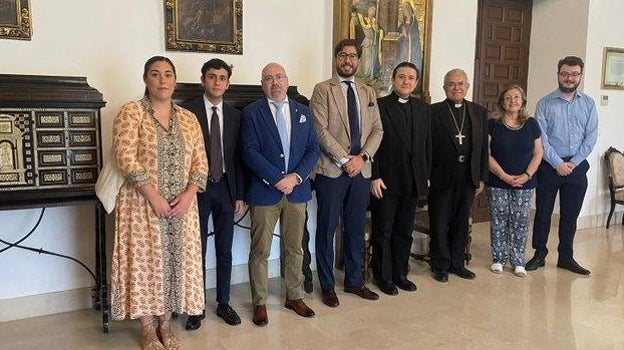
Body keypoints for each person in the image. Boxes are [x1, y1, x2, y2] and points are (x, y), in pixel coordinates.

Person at [110, 56, 208, 350]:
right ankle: (147, 329)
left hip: (182, 207)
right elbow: (124, 156)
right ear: (145, 79)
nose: (162, 80)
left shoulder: (188, 119)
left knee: (175, 265)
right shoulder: (131, 113)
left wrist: (190, 194)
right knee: (146, 264)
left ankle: (166, 324)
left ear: (175, 80)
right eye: (155, 74)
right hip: (142, 205)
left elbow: (200, 161)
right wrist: (152, 195)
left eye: (168, 74)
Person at [241, 62, 319, 326]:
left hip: (297, 192)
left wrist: (295, 177)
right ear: (262, 83)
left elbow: (312, 150)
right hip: (265, 192)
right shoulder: (251, 113)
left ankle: (294, 296)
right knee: (260, 250)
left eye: (279, 77)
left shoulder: (303, 112)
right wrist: (277, 178)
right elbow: (249, 151)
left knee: (295, 248)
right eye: (268, 78)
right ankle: (259, 302)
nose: (274, 82)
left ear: (287, 80)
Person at [310, 38, 383, 307]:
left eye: (352, 56)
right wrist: (344, 159)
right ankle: (327, 285)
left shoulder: (368, 92)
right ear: (336, 59)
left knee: (354, 228)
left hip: (360, 172)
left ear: (359, 60)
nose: (348, 60)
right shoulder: (322, 90)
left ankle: (354, 281)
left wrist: (361, 157)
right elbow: (320, 131)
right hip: (331, 172)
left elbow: (378, 130)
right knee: (327, 229)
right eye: (343, 55)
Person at [181, 58, 244, 330]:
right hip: (196, 189)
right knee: (197, 249)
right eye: (212, 76)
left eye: (222, 77)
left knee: (224, 249)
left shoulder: (236, 116)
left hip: (227, 189)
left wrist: (240, 194)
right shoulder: (186, 112)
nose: (217, 82)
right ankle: (196, 306)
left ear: (228, 83)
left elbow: (239, 158)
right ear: (203, 80)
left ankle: (223, 302)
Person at [525, 56, 598, 275]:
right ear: (558, 74)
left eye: (574, 74)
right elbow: (541, 139)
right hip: (549, 167)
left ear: (580, 76)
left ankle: (566, 257)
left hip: (577, 168)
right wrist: (557, 163)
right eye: (565, 73)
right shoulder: (545, 103)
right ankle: (539, 254)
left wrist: (573, 163)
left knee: (570, 215)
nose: (569, 78)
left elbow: (591, 137)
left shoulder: (588, 103)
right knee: (543, 212)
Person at [370, 61, 431, 295]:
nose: (406, 81)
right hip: (386, 180)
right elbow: (371, 143)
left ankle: (400, 273)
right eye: (402, 77)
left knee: (405, 230)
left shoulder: (423, 109)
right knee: (383, 231)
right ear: (393, 80)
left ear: (415, 82)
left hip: (412, 180)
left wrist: (425, 176)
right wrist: (373, 176)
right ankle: (383, 276)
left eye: (411, 78)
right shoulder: (380, 105)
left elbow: (427, 146)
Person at [428, 68, 488, 283]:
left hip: (468, 176)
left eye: (461, 83)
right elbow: (427, 147)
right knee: (440, 221)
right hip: (441, 175)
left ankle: (457, 262)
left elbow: (483, 148)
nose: (456, 88)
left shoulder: (479, 112)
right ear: (445, 88)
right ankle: (440, 264)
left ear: (467, 86)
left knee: (461, 221)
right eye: (452, 84)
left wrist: (481, 176)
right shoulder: (433, 112)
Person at [487, 85, 543, 277]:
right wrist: (503, 175)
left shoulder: (531, 124)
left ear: (523, 101)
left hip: (524, 182)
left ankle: (518, 260)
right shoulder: (493, 124)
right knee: (498, 220)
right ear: (502, 102)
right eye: (508, 97)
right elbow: (485, 154)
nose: (513, 101)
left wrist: (527, 175)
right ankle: (498, 259)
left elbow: (538, 152)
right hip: (497, 180)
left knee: (520, 221)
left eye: (517, 97)